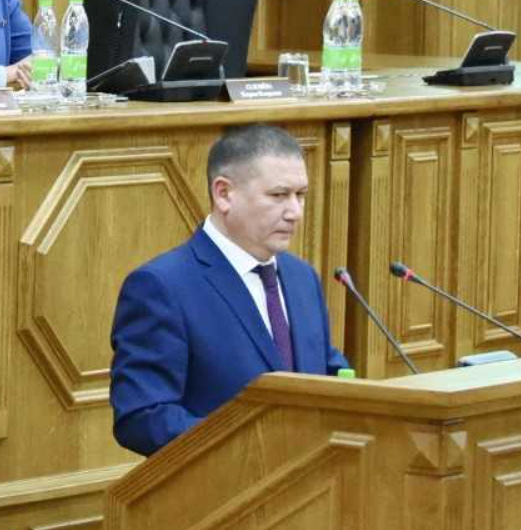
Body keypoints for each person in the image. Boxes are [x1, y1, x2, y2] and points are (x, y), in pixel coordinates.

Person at [109, 124, 350, 456]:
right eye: (278, 195)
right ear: (224, 194)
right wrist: (251, 447)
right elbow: (142, 416)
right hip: (218, 482)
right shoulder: (162, 286)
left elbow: (326, 371)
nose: (295, 212)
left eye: (301, 195)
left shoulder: (302, 277)